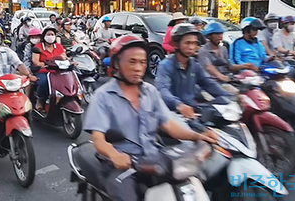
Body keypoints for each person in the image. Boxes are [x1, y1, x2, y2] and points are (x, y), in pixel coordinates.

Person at [84, 34, 218, 201]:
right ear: (117, 63)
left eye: (142, 62)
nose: (138, 68)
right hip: (122, 165)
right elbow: (98, 139)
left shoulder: (150, 91)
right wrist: (114, 154)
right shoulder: (103, 96)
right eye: (132, 62)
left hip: (153, 158)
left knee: (192, 184)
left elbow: (168, 124)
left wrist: (198, 136)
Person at [156, 23, 230, 118]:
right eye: (187, 43)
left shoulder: (194, 64)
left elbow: (208, 83)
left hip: (193, 112)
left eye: (194, 43)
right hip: (172, 115)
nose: (191, 47)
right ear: (177, 44)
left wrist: (228, 97)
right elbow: (162, 90)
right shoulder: (166, 65)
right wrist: (179, 105)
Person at [198, 22, 257, 89]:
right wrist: (223, 77)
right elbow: (209, 68)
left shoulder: (223, 49)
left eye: (221, 33)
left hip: (226, 81)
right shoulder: (203, 51)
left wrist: (246, 66)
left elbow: (230, 66)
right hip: (211, 83)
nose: (220, 36)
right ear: (209, 36)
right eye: (217, 34)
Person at [32, 26, 66, 111]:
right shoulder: (38, 46)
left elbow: (64, 57)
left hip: (58, 71)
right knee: (44, 82)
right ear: (44, 36)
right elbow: (35, 61)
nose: (50, 36)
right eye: (48, 34)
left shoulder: (58, 46)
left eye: (52, 34)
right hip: (44, 71)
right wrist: (42, 64)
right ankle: (40, 100)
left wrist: (69, 60)